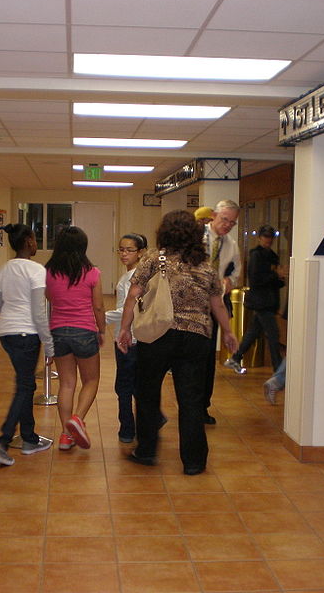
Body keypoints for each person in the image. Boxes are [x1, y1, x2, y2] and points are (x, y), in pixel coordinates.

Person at [117, 210, 238, 475]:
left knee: (147, 392)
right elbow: (216, 303)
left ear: (165, 233)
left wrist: (124, 329)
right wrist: (228, 332)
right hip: (196, 338)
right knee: (191, 399)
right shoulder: (205, 265)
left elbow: (132, 295)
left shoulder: (153, 259)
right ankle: (194, 462)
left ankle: (147, 450)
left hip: (158, 334)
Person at [0, 224, 55, 466]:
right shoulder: (36, 270)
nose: (36, 243)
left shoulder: (4, 269)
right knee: (25, 386)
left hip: (6, 334)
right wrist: (49, 344)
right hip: (28, 334)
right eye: (35, 239)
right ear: (28, 241)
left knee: (25, 383)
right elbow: (39, 312)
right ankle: (3, 442)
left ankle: (29, 438)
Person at [45, 226, 105, 450]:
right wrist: (101, 330)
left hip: (58, 332)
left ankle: (65, 436)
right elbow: (98, 306)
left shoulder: (49, 271)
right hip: (84, 331)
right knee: (91, 380)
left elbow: (50, 298)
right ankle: (77, 419)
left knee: (67, 383)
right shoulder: (92, 272)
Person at [224, 225, 284, 375]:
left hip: (269, 301)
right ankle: (278, 369)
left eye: (270, 237)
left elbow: (277, 281)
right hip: (261, 301)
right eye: (265, 237)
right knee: (273, 334)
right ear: (260, 238)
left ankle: (235, 358)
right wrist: (275, 275)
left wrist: (279, 277)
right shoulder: (256, 255)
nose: (267, 240)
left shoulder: (273, 256)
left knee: (253, 332)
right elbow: (255, 279)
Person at [201, 199, 241, 424]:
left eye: (232, 223)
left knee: (208, 358)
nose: (227, 225)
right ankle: (190, 405)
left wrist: (226, 283)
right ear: (214, 215)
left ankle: (203, 406)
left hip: (214, 308)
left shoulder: (231, 245)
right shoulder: (197, 237)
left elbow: (235, 273)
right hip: (189, 307)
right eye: (224, 219)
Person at [105, 233, 147, 443]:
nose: (123, 254)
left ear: (140, 253)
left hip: (128, 338)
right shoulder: (132, 275)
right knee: (137, 383)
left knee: (123, 385)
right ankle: (151, 420)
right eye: (121, 249)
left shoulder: (134, 277)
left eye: (129, 250)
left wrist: (100, 318)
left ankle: (127, 428)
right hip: (137, 337)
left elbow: (126, 310)